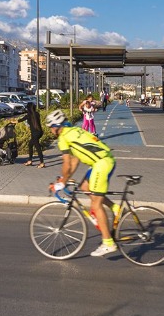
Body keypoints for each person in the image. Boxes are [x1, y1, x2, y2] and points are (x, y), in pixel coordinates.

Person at [46, 109, 119, 257]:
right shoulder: (74, 130)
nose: (50, 130)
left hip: (101, 164)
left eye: (51, 127)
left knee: (96, 205)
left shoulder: (63, 138)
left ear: (56, 126)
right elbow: (75, 161)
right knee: (84, 187)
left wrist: (62, 183)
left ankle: (108, 243)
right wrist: (64, 179)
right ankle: (115, 208)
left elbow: (67, 163)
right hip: (103, 160)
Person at [23, 102, 46, 167]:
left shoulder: (28, 115)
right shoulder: (37, 114)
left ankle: (42, 163)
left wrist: (12, 121)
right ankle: (30, 160)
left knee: (38, 147)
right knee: (30, 145)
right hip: (40, 132)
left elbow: (20, 120)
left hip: (35, 134)